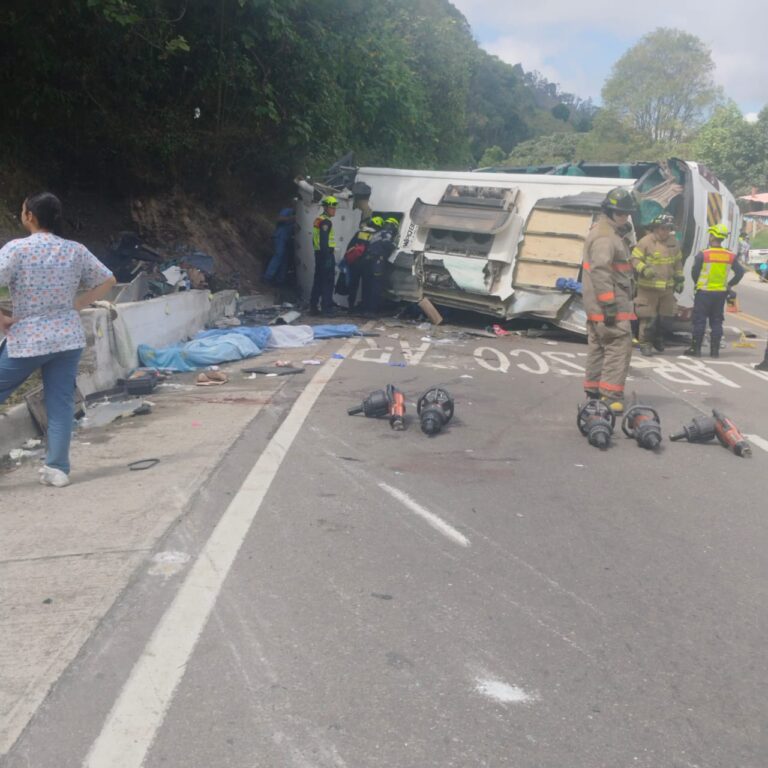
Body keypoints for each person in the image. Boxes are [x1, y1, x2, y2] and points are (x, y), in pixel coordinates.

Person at [0, 192, 116, 487]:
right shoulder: (75, 250)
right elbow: (108, 280)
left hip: (28, 340)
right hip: (67, 339)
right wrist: (77, 304)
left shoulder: (18, 249)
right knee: (61, 403)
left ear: (29, 217)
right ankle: (58, 469)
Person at [581, 187, 638, 413]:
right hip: (609, 306)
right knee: (618, 347)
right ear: (609, 211)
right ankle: (610, 397)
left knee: (598, 347)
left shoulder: (606, 231)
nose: (624, 217)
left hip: (597, 307)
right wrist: (609, 305)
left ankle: (593, 392)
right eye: (620, 213)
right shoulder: (606, 237)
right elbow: (601, 272)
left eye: (626, 213)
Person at [630, 213, 684, 356]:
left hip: (667, 288)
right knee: (648, 318)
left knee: (665, 317)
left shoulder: (673, 242)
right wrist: (643, 269)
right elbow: (634, 259)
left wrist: (679, 278)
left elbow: (678, 262)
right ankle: (645, 343)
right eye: (662, 228)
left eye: (668, 228)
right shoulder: (645, 242)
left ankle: (658, 338)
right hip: (648, 288)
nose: (665, 231)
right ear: (655, 228)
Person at [688, 224, 745, 358]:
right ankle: (715, 351)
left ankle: (696, 349)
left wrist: (698, 283)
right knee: (716, 321)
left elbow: (694, 272)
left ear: (712, 235)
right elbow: (740, 272)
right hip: (720, 293)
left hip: (704, 292)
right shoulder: (730, 255)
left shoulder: (704, 254)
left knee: (700, 320)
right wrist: (730, 285)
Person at [360, 217, 399, 316]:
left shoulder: (377, 233)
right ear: (393, 226)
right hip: (377, 261)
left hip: (368, 261)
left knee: (367, 285)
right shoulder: (387, 232)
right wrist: (395, 246)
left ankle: (364, 308)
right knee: (376, 286)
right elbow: (387, 243)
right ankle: (371, 311)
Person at [345, 215, 383, 312]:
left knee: (353, 285)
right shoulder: (376, 235)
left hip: (355, 263)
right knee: (366, 286)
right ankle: (365, 307)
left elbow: (350, 246)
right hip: (367, 264)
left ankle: (350, 306)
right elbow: (376, 250)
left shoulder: (359, 233)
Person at [310, 195, 338, 316]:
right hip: (326, 254)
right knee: (327, 281)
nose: (334, 210)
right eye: (332, 208)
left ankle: (313, 306)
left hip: (319, 254)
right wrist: (327, 257)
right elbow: (323, 240)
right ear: (326, 208)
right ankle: (326, 309)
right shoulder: (326, 222)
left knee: (318, 281)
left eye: (335, 208)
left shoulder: (318, 219)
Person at [263, 202, 296, 285]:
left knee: (284, 260)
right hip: (280, 237)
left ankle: (279, 280)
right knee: (278, 255)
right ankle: (267, 277)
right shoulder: (288, 211)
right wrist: (291, 218)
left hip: (287, 239)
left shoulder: (300, 217)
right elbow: (279, 219)